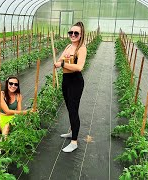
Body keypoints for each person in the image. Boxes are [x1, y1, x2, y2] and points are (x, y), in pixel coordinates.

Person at [54, 21, 86, 153]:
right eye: (71, 32)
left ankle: (74, 142)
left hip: (75, 81)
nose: (73, 35)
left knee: (73, 110)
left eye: (76, 33)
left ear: (81, 34)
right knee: (69, 108)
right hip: (66, 80)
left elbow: (79, 67)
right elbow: (60, 61)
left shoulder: (81, 48)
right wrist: (59, 62)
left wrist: (61, 65)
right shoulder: (68, 47)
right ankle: (72, 131)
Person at [0, 76, 28, 157]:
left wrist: (24, 115)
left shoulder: (18, 96)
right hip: (0, 116)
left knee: (7, 126)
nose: (13, 86)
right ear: (7, 84)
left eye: (16, 84)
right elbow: (7, 111)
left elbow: (19, 112)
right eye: (11, 83)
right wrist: (26, 112)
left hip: (11, 117)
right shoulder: (0, 93)